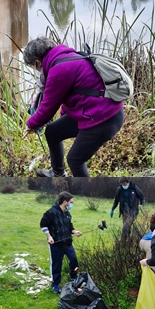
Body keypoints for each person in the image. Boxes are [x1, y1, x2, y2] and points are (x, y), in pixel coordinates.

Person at [22, 37, 125, 177]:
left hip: (103, 118)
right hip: (94, 110)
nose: (36, 71)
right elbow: (70, 95)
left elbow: (47, 108)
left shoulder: (59, 69)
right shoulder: (67, 57)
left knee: (75, 160)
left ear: (37, 62)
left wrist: (30, 124)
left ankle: (87, 194)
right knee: (53, 131)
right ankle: (57, 172)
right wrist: (64, 117)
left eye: (33, 67)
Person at [40, 191, 82, 294]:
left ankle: (73, 276)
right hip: (56, 245)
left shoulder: (67, 213)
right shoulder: (51, 212)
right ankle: (55, 284)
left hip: (68, 244)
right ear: (65, 202)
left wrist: (75, 231)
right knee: (56, 265)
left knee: (74, 260)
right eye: (71, 202)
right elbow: (43, 225)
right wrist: (49, 237)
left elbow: (69, 227)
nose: (72, 204)